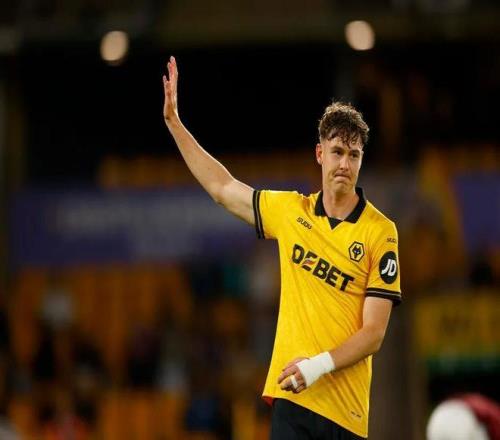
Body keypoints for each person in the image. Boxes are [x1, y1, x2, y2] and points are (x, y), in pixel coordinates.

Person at [162, 56, 401, 439]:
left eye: (354, 155)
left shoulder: (380, 232)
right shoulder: (291, 212)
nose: (344, 163)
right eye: (337, 152)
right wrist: (176, 125)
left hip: (346, 413)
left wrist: (316, 366)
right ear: (320, 154)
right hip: (293, 399)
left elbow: (374, 332)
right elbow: (223, 188)